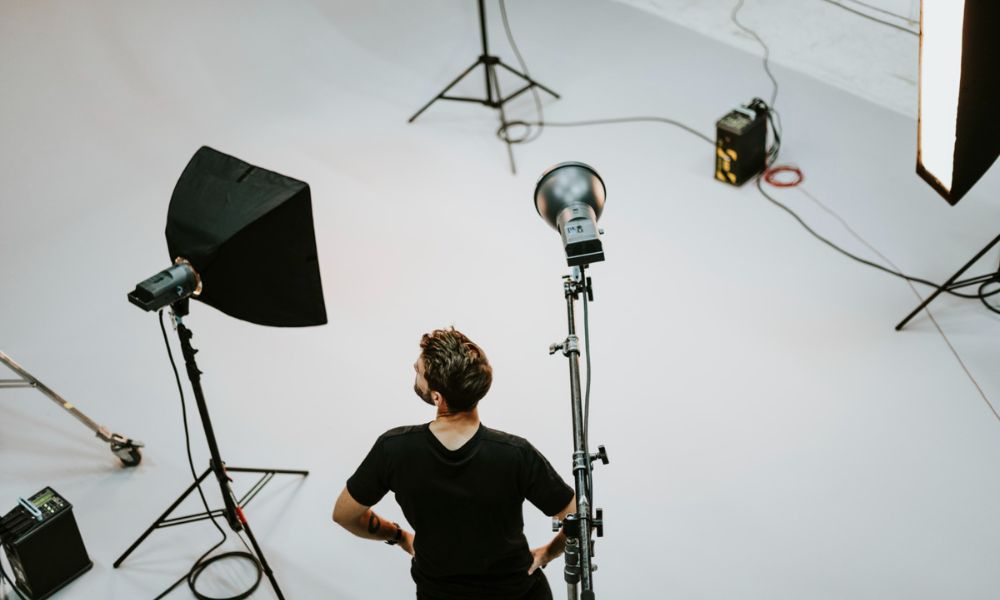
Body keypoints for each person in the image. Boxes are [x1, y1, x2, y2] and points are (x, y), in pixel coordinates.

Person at [333, 327, 576, 600]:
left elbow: (345, 514)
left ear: (437, 397)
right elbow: (579, 518)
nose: (414, 369)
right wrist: (548, 552)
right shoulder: (515, 452)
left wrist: (399, 536)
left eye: (418, 371)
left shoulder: (394, 449)